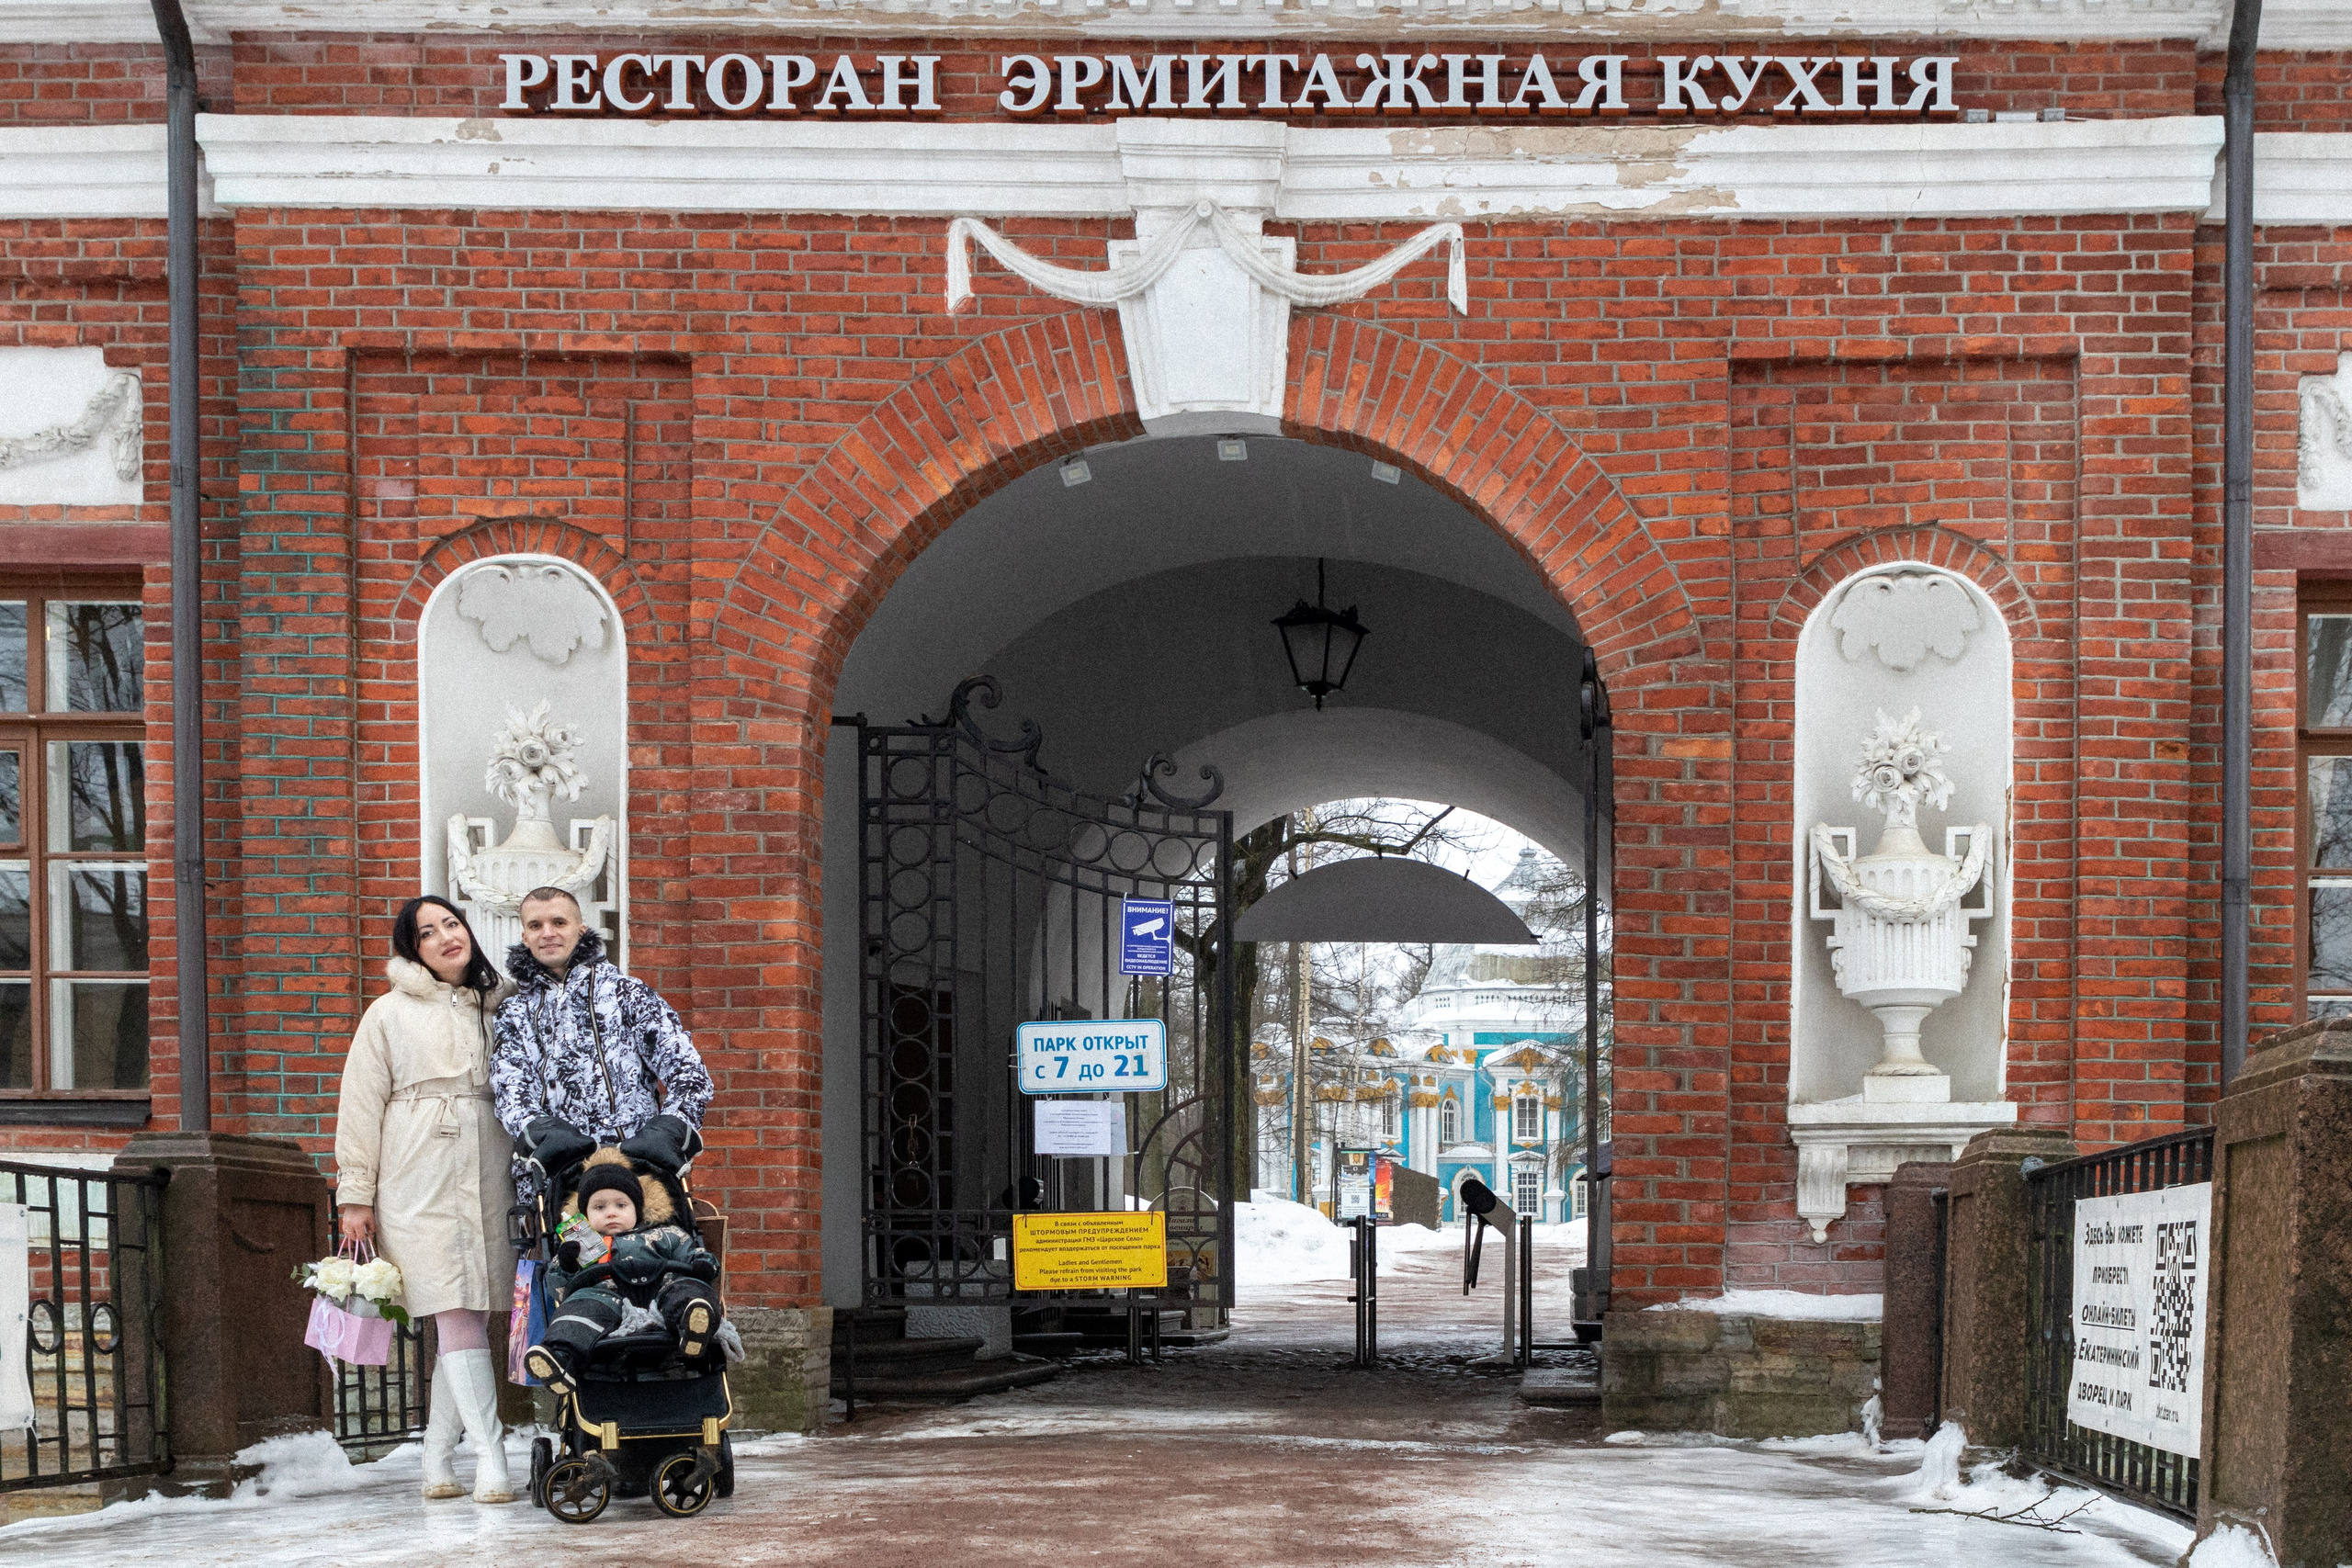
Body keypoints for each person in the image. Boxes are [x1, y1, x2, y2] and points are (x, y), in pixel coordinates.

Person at [333, 896, 518, 1505]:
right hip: (418, 1172)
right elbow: (361, 1102)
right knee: (454, 1310)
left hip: (489, 1166)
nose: (444, 936)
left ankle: (436, 1457)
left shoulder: (501, 1005)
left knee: (465, 1313)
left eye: (451, 923)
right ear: (413, 949)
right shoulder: (387, 1014)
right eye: (427, 932)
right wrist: (355, 1193)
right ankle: (492, 1454)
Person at [488, 887, 714, 1202]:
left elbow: (689, 1073)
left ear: (581, 930)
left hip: (637, 1178)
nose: (548, 933)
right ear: (524, 936)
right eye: (536, 926)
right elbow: (508, 1087)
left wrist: (666, 1132)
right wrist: (539, 1131)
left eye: (559, 922)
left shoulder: (627, 994)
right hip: (556, 1185)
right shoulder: (515, 1011)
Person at [523, 1162, 721, 1394]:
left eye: (621, 1205)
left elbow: (691, 1253)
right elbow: (558, 1289)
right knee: (578, 1307)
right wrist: (566, 1264)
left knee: (687, 1287)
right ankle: (562, 1359)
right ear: (585, 1214)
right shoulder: (581, 1246)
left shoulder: (662, 1234)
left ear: (637, 1208)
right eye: (599, 1207)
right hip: (605, 1297)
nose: (611, 1212)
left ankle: (692, 1328)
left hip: (661, 1290)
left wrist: (702, 1265)